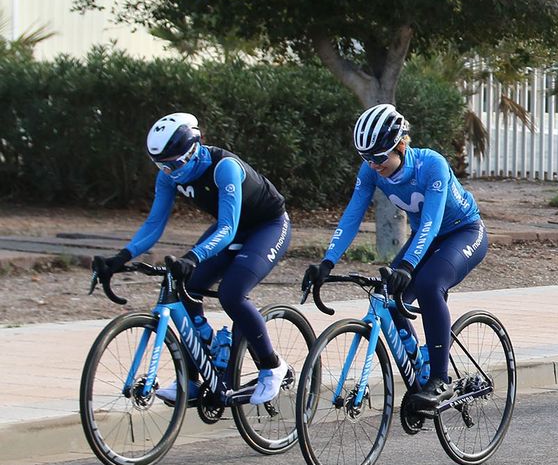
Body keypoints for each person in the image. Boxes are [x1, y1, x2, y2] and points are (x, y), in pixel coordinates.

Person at [93, 113, 292, 406]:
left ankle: (272, 366)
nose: (169, 172)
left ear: (195, 148)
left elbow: (226, 228)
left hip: (267, 226)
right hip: (232, 227)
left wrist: (193, 256)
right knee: (184, 286)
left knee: (232, 293)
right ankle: (194, 375)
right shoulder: (168, 175)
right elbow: (153, 225)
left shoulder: (224, 168)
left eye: (174, 164)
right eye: (161, 165)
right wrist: (121, 257)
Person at [303, 104, 487, 417]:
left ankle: (441, 379)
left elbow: (430, 221)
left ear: (400, 146)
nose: (373, 165)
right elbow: (351, 217)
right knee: (387, 295)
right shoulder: (371, 172)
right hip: (425, 238)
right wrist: (327, 262)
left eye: (378, 157)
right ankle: (421, 369)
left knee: (429, 285)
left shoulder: (432, 165)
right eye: (365, 158)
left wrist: (408, 265)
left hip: (464, 233)